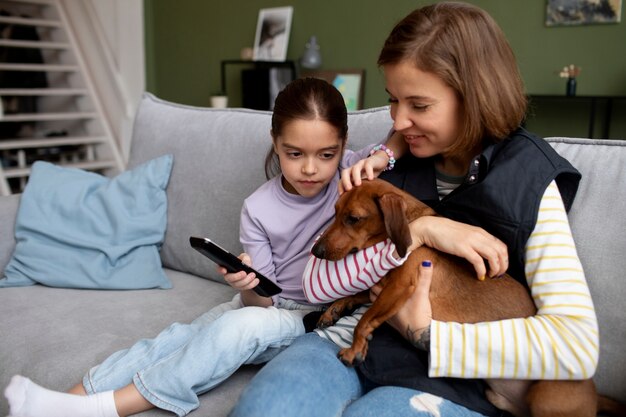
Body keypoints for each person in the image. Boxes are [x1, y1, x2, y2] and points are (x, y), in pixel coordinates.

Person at [229, 3, 599, 417]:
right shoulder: (385, 164)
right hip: (347, 340)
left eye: (418, 106)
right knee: (263, 410)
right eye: (393, 101)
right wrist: (423, 227)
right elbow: (315, 278)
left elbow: (578, 346)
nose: (400, 121)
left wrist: (426, 334)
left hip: (457, 381)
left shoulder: (529, 178)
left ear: (474, 96)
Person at [2, 77, 404, 417]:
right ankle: (63, 401)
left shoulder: (353, 176)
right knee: (176, 338)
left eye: (326, 154)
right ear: (275, 142)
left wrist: (384, 155)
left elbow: (402, 132)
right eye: (294, 154)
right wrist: (246, 284)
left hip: (308, 315)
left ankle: (104, 408)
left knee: (235, 329)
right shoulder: (258, 208)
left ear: (344, 144)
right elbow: (261, 304)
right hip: (269, 307)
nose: (311, 169)